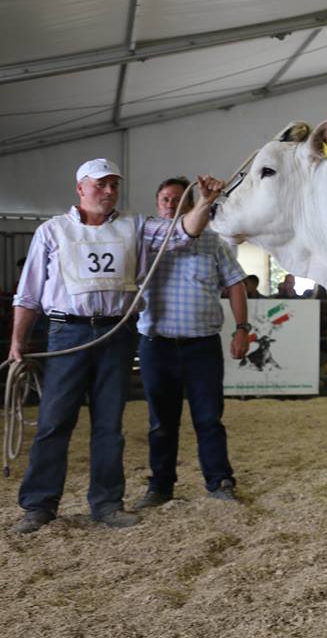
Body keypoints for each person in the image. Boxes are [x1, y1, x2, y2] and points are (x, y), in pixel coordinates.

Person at [7, 159, 223, 534]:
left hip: (116, 333)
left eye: (114, 185)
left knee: (109, 423)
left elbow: (183, 232)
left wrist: (204, 202)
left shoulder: (135, 225)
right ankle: (39, 505)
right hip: (68, 332)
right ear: (81, 188)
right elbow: (28, 294)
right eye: (101, 184)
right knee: (54, 421)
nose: (109, 191)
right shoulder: (52, 230)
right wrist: (17, 342)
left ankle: (107, 503)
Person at [132, 177, 250, 511]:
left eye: (177, 199)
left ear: (190, 205)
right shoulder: (144, 241)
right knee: (160, 421)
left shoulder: (213, 243)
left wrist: (242, 328)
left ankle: (220, 480)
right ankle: (160, 485)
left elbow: (236, 285)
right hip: (157, 343)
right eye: (165, 199)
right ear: (157, 204)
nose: (170, 204)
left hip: (202, 345)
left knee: (209, 417)